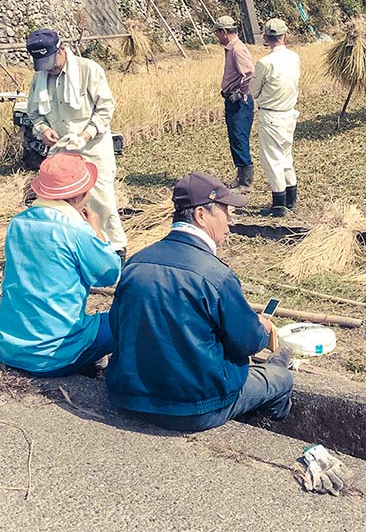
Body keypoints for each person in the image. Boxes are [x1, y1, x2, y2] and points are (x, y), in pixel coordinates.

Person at [106, 172, 293, 431]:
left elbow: (117, 327)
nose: (230, 221)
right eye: (226, 212)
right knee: (281, 378)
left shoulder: (136, 262)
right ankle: (265, 429)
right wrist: (262, 328)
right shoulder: (216, 275)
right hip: (194, 407)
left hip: (127, 397)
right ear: (201, 215)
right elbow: (248, 343)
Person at [0, 153, 121, 377]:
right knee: (128, 319)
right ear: (79, 195)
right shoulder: (77, 231)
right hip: (53, 357)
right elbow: (110, 274)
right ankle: (112, 374)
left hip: (8, 349)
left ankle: (92, 363)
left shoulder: (18, 223)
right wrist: (97, 231)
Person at [24, 29, 128, 259]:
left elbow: (105, 109)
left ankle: (115, 250)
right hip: (60, 150)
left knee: (101, 200)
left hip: (92, 146)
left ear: (62, 49)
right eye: (43, 64)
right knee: (61, 202)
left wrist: (87, 134)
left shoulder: (88, 70)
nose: (49, 69)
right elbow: (33, 113)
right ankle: (73, 248)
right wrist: (44, 130)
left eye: (51, 61)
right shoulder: (39, 78)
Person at [251, 18, 301, 217]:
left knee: (272, 160)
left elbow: (253, 91)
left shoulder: (265, 63)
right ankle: (291, 199)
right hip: (289, 114)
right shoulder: (294, 57)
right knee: (286, 157)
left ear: (265, 38)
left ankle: (279, 205)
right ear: (285, 36)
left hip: (271, 116)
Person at [213, 16, 255, 192]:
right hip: (232, 99)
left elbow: (250, 73)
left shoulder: (237, 49)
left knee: (239, 137)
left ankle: (245, 182)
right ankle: (241, 177)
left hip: (240, 102)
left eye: (217, 33)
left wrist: (240, 92)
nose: (217, 37)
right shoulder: (230, 49)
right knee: (235, 138)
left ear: (224, 32)